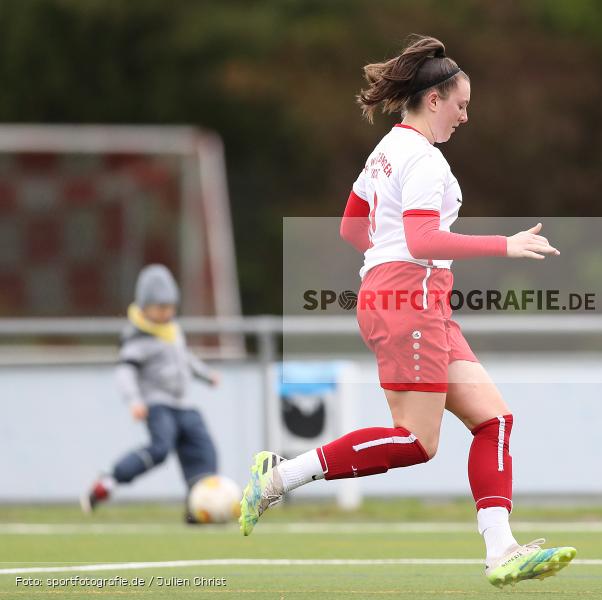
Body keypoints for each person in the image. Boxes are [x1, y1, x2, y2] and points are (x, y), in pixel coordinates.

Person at [239, 35, 576, 587]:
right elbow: (422, 241)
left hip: (411, 294)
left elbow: (353, 228)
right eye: (462, 105)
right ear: (435, 99)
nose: (465, 117)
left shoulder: (386, 150)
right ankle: (279, 475)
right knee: (417, 442)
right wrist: (504, 245)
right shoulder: (424, 160)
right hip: (410, 295)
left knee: (494, 421)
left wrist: (383, 262)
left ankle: (502, 551)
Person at [82, 264, 220, 522]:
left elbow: (185, 359)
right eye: (160, 307)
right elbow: (125, 372)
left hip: (183, 403)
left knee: (202, 447)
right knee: (160, 448)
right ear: (144, 306)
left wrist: (206, 375)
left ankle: (198, 503)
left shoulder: (173, 331)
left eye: (170, 307)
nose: (166, 313)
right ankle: (110, 480)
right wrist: (134, 400)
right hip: (158, 404)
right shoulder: (138, 338)